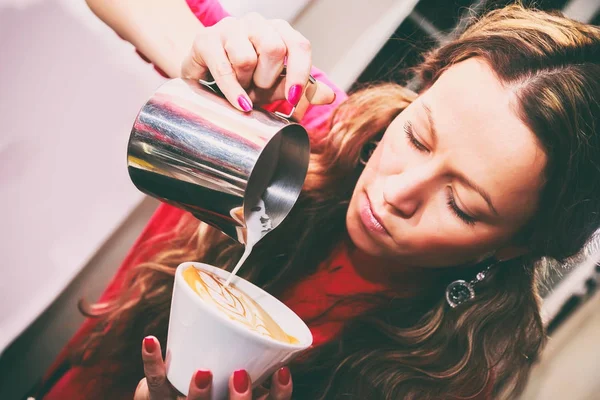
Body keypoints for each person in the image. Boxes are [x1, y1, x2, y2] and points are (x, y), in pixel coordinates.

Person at [36, 0, 600, 399]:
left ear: (515, 244)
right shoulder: (305, 127)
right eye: (416, 135)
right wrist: (206, 59)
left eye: (462, 206)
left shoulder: (447, 376)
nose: (393, 192)